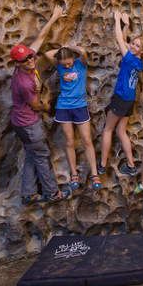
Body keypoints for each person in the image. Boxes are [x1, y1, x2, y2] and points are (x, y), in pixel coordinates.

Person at [10, 4, 70, 204]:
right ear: (17, 63)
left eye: (29, 56)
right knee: (42, 155)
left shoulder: (28, 62)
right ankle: (52, 193)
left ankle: (28, 194)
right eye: (25, 59)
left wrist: (54, 17)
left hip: (20, 122)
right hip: (28, 123)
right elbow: (36, 105)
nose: (30, 59)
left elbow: (40, 39)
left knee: (31, 154)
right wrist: (49, 107)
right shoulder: (24, 82)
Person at [44, 44, 100, 191]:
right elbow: (48, 54)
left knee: (87, 140)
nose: (67, 65)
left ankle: (95, 174)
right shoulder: (60, 66)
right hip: (63, 106)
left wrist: (70, 48)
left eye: (69, 62)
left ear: (73, 59)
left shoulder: (80, 64)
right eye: (65, 64)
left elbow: (83, 51)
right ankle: (74, 174)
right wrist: (61, 51)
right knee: (69, 141)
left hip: (80, 106)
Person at [100, 8, 143, 177]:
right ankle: (131, 164)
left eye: (137, 45)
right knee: (121, 131)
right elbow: (126, 44)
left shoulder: (128, 58)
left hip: (120, 98)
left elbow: (120, 39)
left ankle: (102, 165)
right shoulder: (138, 61)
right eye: (133, 43)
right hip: (129, 99)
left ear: (141, 50)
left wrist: (117, 20)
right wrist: (126, 25)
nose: (133, 46)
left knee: (108, 130)